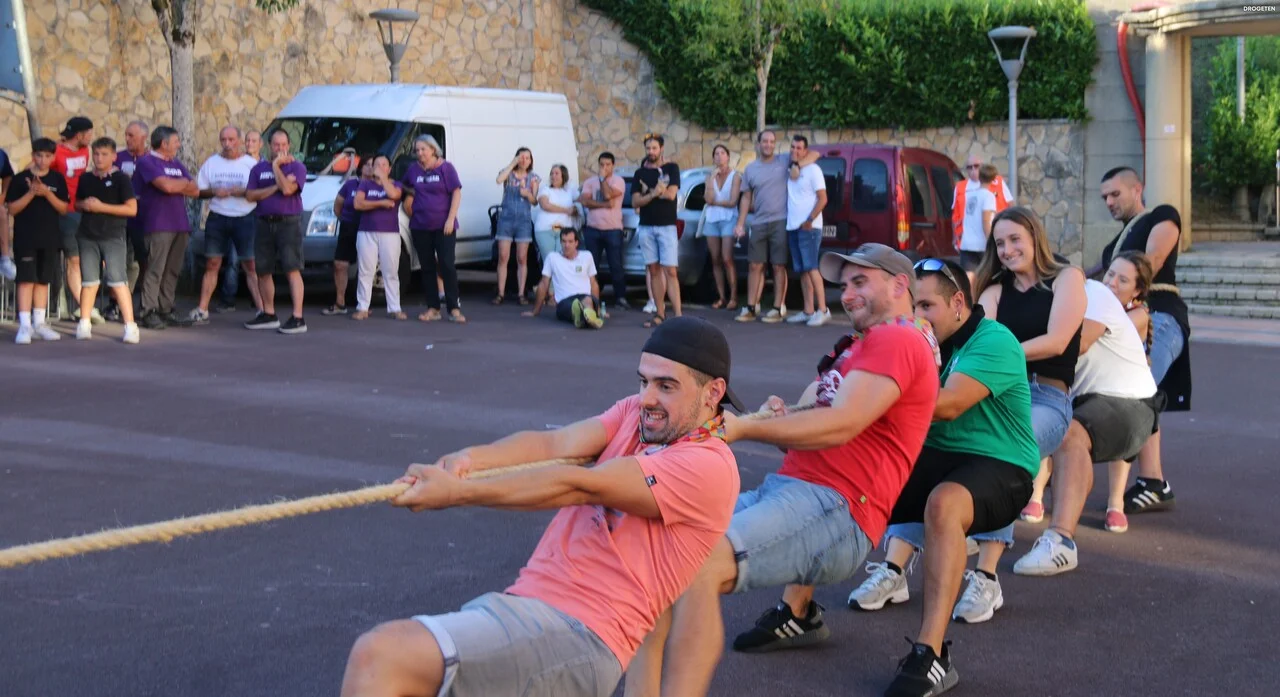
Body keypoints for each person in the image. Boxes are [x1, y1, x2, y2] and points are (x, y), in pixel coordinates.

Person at [339, 316, 742, 697]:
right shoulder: (636, 416)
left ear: (713, 392)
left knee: (380, 657)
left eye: (666, 386)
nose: (647, 398)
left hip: (581, 632)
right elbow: (555, 444)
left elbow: (579, 485)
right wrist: (469, 459)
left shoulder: (707, 465)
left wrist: (457, 493)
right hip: (531, 609)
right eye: (643, 381)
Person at [623, 244, 941, 697]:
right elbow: (809, 427)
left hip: (835, 507)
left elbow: (842, 423)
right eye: (844, 284)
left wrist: (742, 429)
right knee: (659, 549)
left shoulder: (898, 340)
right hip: (794, 491)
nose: (847, 294)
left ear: (899, 285)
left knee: (694, 565)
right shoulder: (860, 347)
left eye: (860, 282)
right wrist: (778, 418)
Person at [851, 259, 1039, 697]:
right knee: (850, 481)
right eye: (912, 306)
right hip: (939, 454)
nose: (918, 317)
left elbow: (949, 404)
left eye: (926, 306)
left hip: (1002, 463)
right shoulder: (915, 340)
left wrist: (873, 391)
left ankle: (930, 654)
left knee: (944, 503)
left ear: (958, 302)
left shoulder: (995, 341)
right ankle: (796, 610)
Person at [1013, 278, 1162, 576]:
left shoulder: (1092, 293)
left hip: (1130, 402)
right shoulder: (1024, 296)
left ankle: (1061, 542)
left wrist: (1006, 349)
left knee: (1070, 435)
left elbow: (1075, 344)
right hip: (1077, 400)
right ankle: (985, 527)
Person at [1097, 166, 1190, 516]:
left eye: (1115, 194)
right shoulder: (1114, 245)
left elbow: (1152, 261)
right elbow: (1098, 277)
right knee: (1138, 393)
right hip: (1126, 322)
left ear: (1138, 189)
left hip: (1159, 317)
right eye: (1104, 197)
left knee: (1135, 391)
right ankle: (1153, 483)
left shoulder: (1161, 215)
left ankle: (1147, 485)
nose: (1109, 201)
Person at [734, 130, 819, 323]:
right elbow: (746, 197)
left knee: (778, 266)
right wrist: (740, 223)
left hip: (781, 221)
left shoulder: (784, 160)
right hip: (758, 222)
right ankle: (750, 307)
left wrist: (797, 165)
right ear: (758, 144)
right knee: (754, 265)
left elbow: (815, 154)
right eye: (765, 141)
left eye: (772, 141)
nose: (768, 145)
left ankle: (777, 308)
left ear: (775, 144)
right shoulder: (750, 169)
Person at [1100, 250, 1155, 533]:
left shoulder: (1138, 314)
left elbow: (1107, 331)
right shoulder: (1096, 302)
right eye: (1110, 274)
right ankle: (1036, 496)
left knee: (1122, 423)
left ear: (1137, 290)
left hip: (1124, 390)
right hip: (1093, 382)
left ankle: (1115, 503)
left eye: (1122, 280)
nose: (1112, 282)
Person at [191, 125, 261, 323]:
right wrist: (214, 192)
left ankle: (263, 310)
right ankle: (202, 309)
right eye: (223, 140)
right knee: (212, 263)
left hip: (245, 217)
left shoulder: (251, 164)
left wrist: (244, 192)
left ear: (239, 141)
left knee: (250, 265)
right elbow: (198, 191)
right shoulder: (211, 163)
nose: (227, 144)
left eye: (231, 140)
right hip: (218, 218)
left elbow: (261, 192)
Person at [74, 137, 139, 344]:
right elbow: (76, 203)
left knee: (118, 280)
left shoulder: (121, 179)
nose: (99, 158)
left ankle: (130, 326)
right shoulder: (86, 179)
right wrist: (85, 205)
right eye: (96, 154)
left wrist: (101, 207)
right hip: (87, 235)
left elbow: (131, 209)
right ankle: (84, 323)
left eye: (104, 154)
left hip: (113, 236)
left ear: (113, 156)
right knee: (89, 281)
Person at [134, 125, 199, 330]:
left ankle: (166, 308)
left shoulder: (176, 163)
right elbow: (167, 187)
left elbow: (195, 190)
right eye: (176, 141)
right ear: (164, 144)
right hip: (158, 224)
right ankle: (148, 310)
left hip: (179, 224)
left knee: (172, 270)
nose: (179, 145)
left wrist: (177, 184)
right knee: (155, 269)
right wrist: (182, 183)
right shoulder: (146, 162)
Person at [6, 138, 69, 344]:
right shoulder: (20, 179)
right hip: (26, 238)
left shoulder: (57, 179)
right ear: (33, 155)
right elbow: (12, 209)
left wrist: (46, 193)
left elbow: (63, 208)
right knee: (26, 280)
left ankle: (40, 323)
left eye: (47, 156)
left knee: (43, 280)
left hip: (49, 238)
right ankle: (25, 325)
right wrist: (32, 193)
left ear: (53, 157)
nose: (42, 160)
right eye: (39, 155)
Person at [244, 129, 308, 334]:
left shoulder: (297, 167)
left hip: (288, 222)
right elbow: (250, 195)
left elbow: (288, 190)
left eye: (283, 145)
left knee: (292, 268)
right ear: (269, 145)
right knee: (263, 270)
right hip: (263, 222)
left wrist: (275, 167)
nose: (280, 148)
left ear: (289, 146)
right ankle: (269, 314)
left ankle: (298, 317)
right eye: (276, 145)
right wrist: (275, 187)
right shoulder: (258, 169)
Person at [402, 134, 465, 323]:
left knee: (447, 264)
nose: (420, 153)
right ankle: (433, 308)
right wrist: (411, 195)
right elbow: (403, 186)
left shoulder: (446, 168)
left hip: (444, 226)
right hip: (420, 225)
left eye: (423, 149)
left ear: (433, 149)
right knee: (427, 266)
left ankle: (454, 308)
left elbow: (456, 193)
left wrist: (450, 219)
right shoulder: (413, 170)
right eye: (417, 150)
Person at [632, 133, 681, 327]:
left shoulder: (672, 168)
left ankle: (678, 316)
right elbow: (635, 201)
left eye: (654, 148)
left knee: (671, 271)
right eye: (648, 148)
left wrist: (649, 192)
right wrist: (654, 192)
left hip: (667, 226)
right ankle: (660, 313)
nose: (651, 151)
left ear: (661, 148)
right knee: (653, 270)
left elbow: (671, 194)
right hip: (646, 226)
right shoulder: (639, 173)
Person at [53, 116, 97, 323]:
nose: (91, 137)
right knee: (74, 259)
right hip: (64, 211)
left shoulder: (85, 151)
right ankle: (85, 306)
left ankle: (85, 304)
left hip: (81, 210)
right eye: (89, 133)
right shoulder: (56, 152)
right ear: (79, 135)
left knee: (89, 258)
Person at [783, 135, 831, 327]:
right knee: (803, 270)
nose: (795, 150)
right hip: (793, 226)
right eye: (793, 147)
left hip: (809, 227)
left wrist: (810, 220)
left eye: (799, 148)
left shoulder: (813, 170)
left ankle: (823, 310)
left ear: (805, 150)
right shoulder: (791, 168)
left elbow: (823, 198)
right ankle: (808, 310)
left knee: (812, 268)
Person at [352, 155, 405, 320]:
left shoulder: (396, 184)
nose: (380, 167)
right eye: (377, 164)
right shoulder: (365, 184)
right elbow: (358, 204)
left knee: (391, 271)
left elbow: (394, 195)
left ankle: (394, 308)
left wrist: (383, 179)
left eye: (384, 165)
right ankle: (362, 307)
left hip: (390, 233)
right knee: (366, 271)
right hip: (366, 232)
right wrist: (381, 203)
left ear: (389, 169)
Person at [523, 227, 604, 329]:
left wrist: (598, 309)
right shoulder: (552, 258)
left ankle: (584, 316)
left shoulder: (587, 256)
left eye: (570, 241)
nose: (566, 245)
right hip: (565, 301)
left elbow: (593, 283)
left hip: (585, 296)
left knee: (587, 300)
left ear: (576, 243)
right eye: (564, 241)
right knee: (575, 305)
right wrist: (535, 311)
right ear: (560, 242)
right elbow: (543, 284)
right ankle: (586, 316)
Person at [324, 154, 373, 315]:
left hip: (368, 228)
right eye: (367, 164)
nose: (370, 168)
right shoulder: (351, 184)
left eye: (374, 165)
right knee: (340, 264)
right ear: (361, 167)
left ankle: (364, 305)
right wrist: (344, 219)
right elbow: (338, 205)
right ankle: (340, 303)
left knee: (366, 266)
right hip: (349, 227)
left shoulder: (377, 186)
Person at [579, 151, 628, 308]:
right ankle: (592, 297)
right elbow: (584, 201)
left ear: (613, 165)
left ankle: (620, 297)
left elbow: (607, 195)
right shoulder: (589, 182)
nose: (604, 168)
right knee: (592, 265)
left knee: (615, 264)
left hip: (613, 229)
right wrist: (605, 205)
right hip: (593, 229)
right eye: (601, 164)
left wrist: (602, 179)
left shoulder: (618, 181)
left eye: (607, 165)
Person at [494, 147, 540, 304]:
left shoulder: (533, 178)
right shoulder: (508, 173)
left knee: (522, 258)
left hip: (523, 221)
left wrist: (528, 195)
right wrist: (512, 163)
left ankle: (521, 294)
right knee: (503, 257)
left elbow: (534, 201)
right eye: (521, 157)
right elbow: (499, 180)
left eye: (527, 158)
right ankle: (500, 293)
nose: (524, 160)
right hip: (506, 219)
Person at [112, 120, 149, 317]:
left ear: (144, 137)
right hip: (120, 216)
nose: (127, 139)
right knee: (118, 261)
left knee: (143, 260)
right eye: (126, 135)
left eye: (131, 135)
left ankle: (145, 301)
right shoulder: (118, 158)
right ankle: (114, 303)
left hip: (143, 218)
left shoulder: (151, 159)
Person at [952, 155, 1011, 271]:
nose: (973, 170)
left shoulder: (970, 195)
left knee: (969, 278)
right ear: (992, 179)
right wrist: (992, 242)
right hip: (982, 245)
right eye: (969, 167)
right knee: (989, 276)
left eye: (976, 166)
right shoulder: (988, 196)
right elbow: (986, 221)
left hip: (967, 244)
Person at [702, 144, 740, 310]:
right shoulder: (709, 176)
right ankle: (722, 297)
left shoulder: (735, 176)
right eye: (716, 154)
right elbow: (708, 198)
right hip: (712, 219)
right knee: (715, 259)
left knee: (727, 258)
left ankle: (734, 297)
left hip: (728, 219)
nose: (719, 156)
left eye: (722, 153)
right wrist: (711, 180)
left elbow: (732, 201)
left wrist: (715, 203)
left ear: (728, 156)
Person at [534, 163, 577, 263]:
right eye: (551, 173)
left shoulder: (570, 191)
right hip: (545, 230)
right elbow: (545, 205)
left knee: (562, 261)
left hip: (564, 231)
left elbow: (580, 201)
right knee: (550, 261)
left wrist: (575, 209)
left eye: (557, 173)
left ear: (563, 175)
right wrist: (566, 210)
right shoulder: (545, 189)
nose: (553, 176)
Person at [0, 146, 15, 281]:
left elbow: (7, 175)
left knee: (2, 212)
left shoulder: (0, 155)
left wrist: (3, 194)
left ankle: (5, 259)